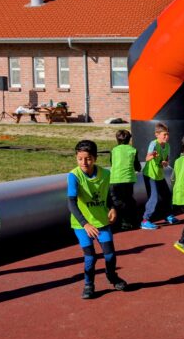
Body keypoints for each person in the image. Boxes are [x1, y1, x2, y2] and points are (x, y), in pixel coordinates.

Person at [67, 139, 128, 299]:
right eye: (80, 159)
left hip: (101, 222)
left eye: (88, 158)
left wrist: (112, 207)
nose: (84, 162)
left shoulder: (105, 174)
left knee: (109, 255)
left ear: (95, 158)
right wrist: (85, 224)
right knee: (90, 257)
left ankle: (112, 276)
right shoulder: (74, 176)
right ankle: (89, 284)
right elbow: (71, 203)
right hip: (82, 225)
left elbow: (109, 195)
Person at [141, 122, 177, 230]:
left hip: (159, 174)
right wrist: (152, 155)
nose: (166, 137)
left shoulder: (167, 146)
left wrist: (165, 163)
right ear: (157, 134)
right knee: (154, 197)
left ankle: (168, 215)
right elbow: (147, 158)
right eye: (164, 134)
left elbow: (165, 161)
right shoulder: (153, 144)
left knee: (167, 195)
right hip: (150, 175)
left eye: (167, 134)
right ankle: (145, 220)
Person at [109, 129, 141, 231]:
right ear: (129, 139)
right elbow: (137, 166)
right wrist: (137, 169)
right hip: (128, 179)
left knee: (116, 201)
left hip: (115, 178)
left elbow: (112, 163)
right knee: (128, 200)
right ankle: (130, 222)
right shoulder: (133, 150)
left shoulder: (114, 150)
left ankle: (118, 222)